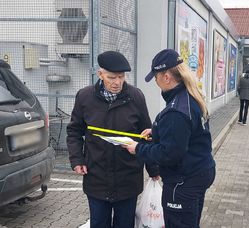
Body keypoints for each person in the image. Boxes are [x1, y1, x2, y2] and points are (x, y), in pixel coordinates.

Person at [122, 49, 216, 228]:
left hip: (182, 181)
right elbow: (187, 134)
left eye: (156, 77)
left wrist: (137, 148)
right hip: (199, 172)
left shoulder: (176, 110)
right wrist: (157, 130)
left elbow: (169, 154)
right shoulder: (190, 96)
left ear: (166, 76)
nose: (155, 82)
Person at [67, 51, 158, 228]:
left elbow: (146, 135)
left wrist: (153, 169)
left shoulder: (136, 96)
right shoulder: (85, 97)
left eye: (121, 77)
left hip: (128, 177)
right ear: (100, 74)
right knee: (99, 223)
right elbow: (74, 131)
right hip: (97, 176)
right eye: (111, 77)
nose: (117, 82)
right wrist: (76, 159)